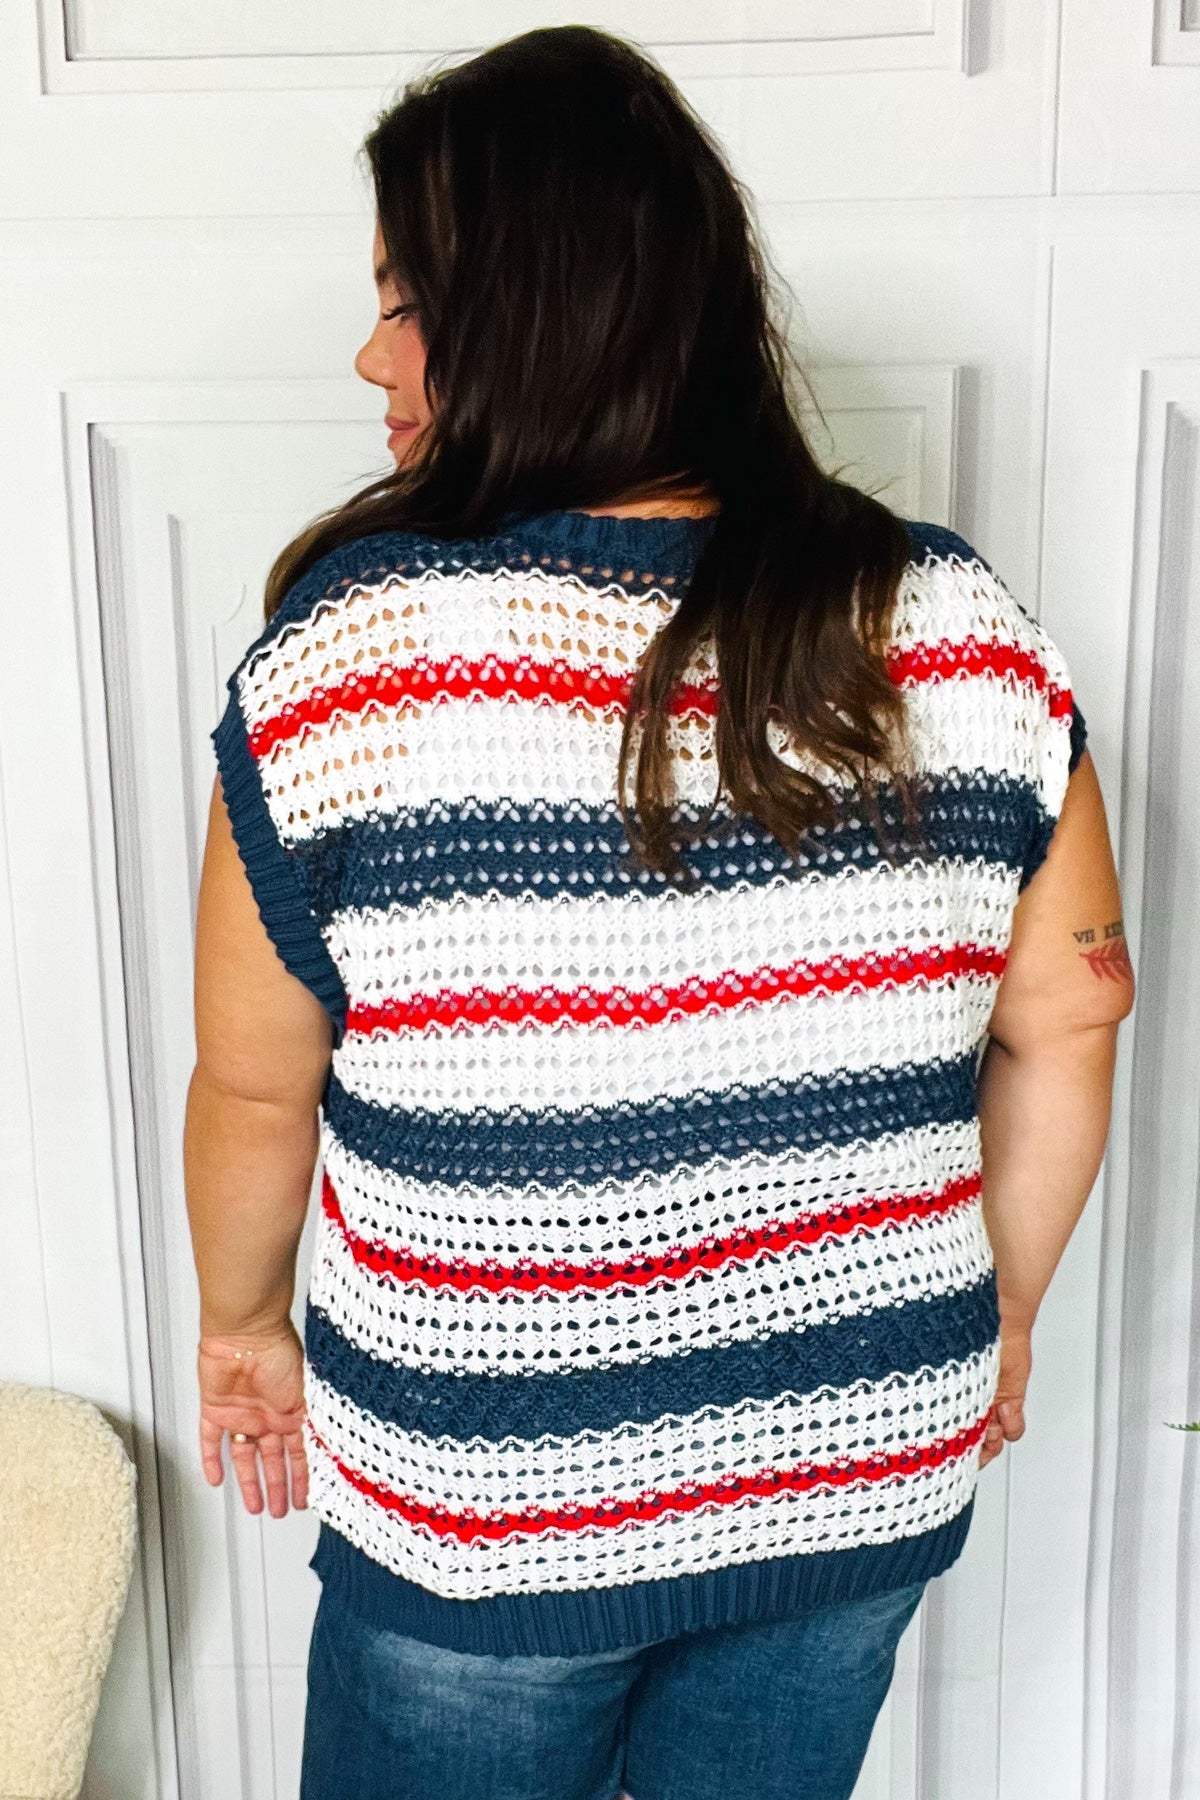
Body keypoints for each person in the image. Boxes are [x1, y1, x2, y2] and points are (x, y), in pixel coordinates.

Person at [183, 24, 1135, 1800]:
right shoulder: (967, 633)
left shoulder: (349, 669)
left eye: (409, 300)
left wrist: (247, 1329)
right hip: (861, 1454)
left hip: (497, 1503)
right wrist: (992, 1313)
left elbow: (255, 1083)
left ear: (541, 313)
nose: (370, 351)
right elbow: (1077, 1009)